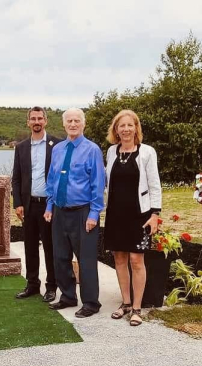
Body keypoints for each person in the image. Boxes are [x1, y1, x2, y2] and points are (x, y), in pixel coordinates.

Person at [44, 108, 106, 318]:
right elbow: (52, 180)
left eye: (76, 121)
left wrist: (94, 214)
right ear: (63, 124)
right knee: (60, 257)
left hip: (83, 212)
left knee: (86, 259)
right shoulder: (58, 149)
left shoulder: (92, 149)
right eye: (69, 121)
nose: (72, 124)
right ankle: (68, 296)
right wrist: (49, 206)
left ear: (83, 124)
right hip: (60, 211)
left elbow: (98, 183)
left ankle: (91, 302)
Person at [104, 110, 161, 326]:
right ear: (116, 130)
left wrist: (155, 214)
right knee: (119, 259)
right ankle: (125, 303)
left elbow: (154, 184)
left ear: (136, 128)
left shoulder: (147, 152)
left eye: (130, 125)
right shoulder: (111, 152)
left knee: (137, 260)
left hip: (139, 214)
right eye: (122, 126)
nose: (126, 129)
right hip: (116, 214)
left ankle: (137, 308)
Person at [12, 106, 61, 302]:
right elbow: (16, 178)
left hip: (49, 206)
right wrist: (18, 203)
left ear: (46, 121)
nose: (37, 122)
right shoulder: (21, 147)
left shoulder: (57, 145)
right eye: (33, 119)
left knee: (50, 247)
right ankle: (32, 284)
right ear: (28, 122)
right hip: (28, 205)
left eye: (40, 118)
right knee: (30, 246)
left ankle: (51, 286)